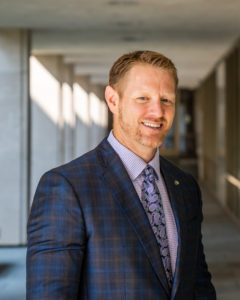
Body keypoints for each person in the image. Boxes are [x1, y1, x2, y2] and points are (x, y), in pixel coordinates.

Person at [27, 50, 216, 299]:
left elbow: (198, 285)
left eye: (166, 100)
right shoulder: (67, 188)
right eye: (143, 98)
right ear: (113, 100)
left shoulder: (186, 186)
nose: (157, 112)